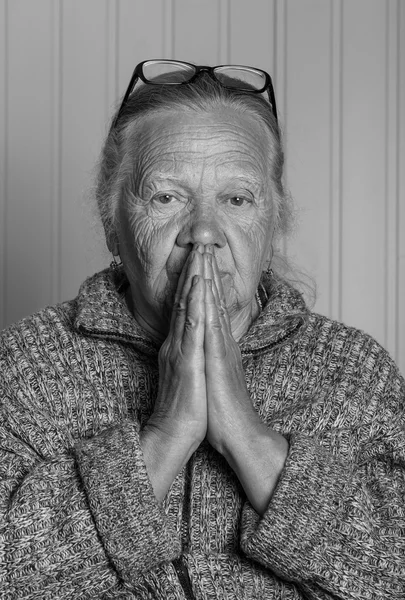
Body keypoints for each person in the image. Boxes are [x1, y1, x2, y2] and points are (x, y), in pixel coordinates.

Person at [0, 59, 404, 600]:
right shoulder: (28, 362)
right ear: (111, 222)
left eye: (237, 200)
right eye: (166, 197)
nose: (205, 232)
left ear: (273, 226)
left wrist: (249, 438)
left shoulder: (355, 370)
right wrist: (164, 437)